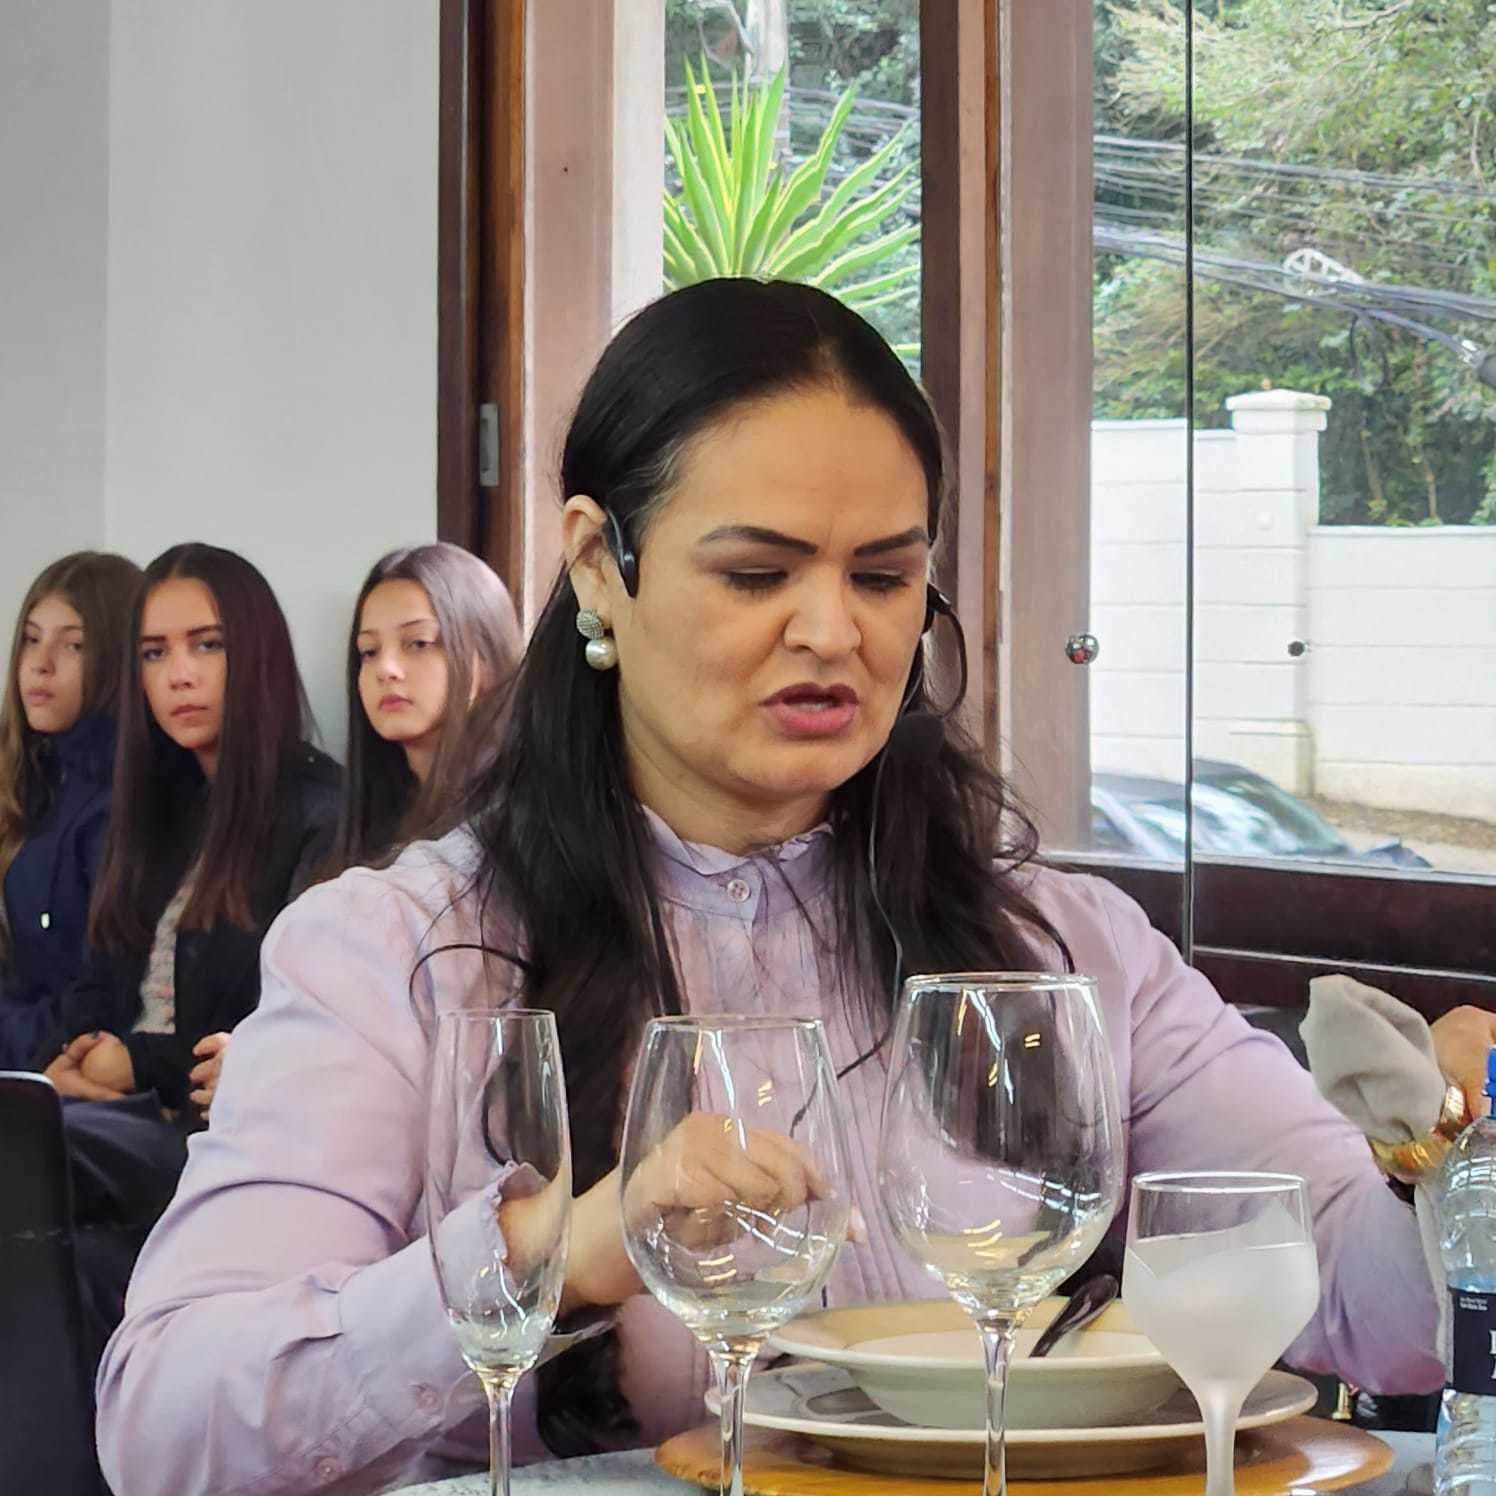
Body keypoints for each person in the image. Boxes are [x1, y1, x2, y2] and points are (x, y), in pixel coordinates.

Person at [97, 281, 1486, 1495]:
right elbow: (165, 1422)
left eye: (884, 576)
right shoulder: (404, 950)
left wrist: (1450, 1158)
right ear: (598, 565)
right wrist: (559, 1249)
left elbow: (1376, 1305)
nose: (832, 631)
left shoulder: (1057, 943)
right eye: (757, 571)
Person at [40, 542, 341, 1119]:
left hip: (214, 1130)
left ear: (257, 654)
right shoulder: (153, 806)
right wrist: (59, 1064)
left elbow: (285, 1028)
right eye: (154, 654)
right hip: (108, 1115)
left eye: (208, 645)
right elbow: (98, 982)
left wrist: (137, 1063)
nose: (179, 676)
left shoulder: (320, 813)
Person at [0, 551, 142, 1069]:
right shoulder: (29, 776)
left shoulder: (119, 803)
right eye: (31, 639)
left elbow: (99, 1003)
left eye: (74, 645)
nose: (41, 664)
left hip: (69, 1071)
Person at [329, 542, 521, 873]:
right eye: (370, 651)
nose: (386, 669)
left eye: (419, 643)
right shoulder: (372, 816)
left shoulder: (515, 815)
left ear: (486, 657)